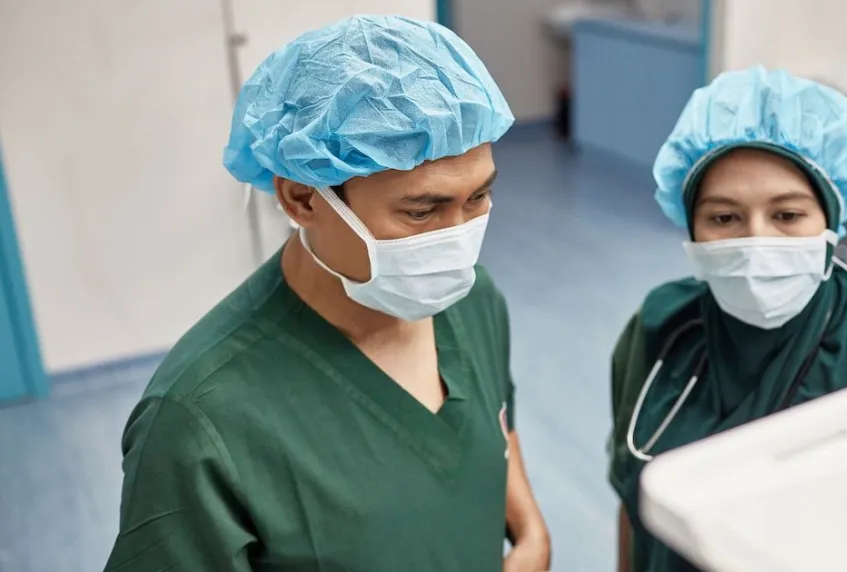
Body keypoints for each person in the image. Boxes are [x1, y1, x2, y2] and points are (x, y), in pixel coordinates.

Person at [104, 16, 550, 572]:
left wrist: (531, 534)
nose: (458, 237)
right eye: (421, 210)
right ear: (301, 200)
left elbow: (495, 427)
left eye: (479, 196)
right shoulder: (198, 420)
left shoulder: (474, 300)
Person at [607, 66, 847, 572]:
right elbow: (633, 506)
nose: (757, 241)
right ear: (691, 230)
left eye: (787, 216)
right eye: (724, 218)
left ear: (830, 226)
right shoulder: (660, 328)